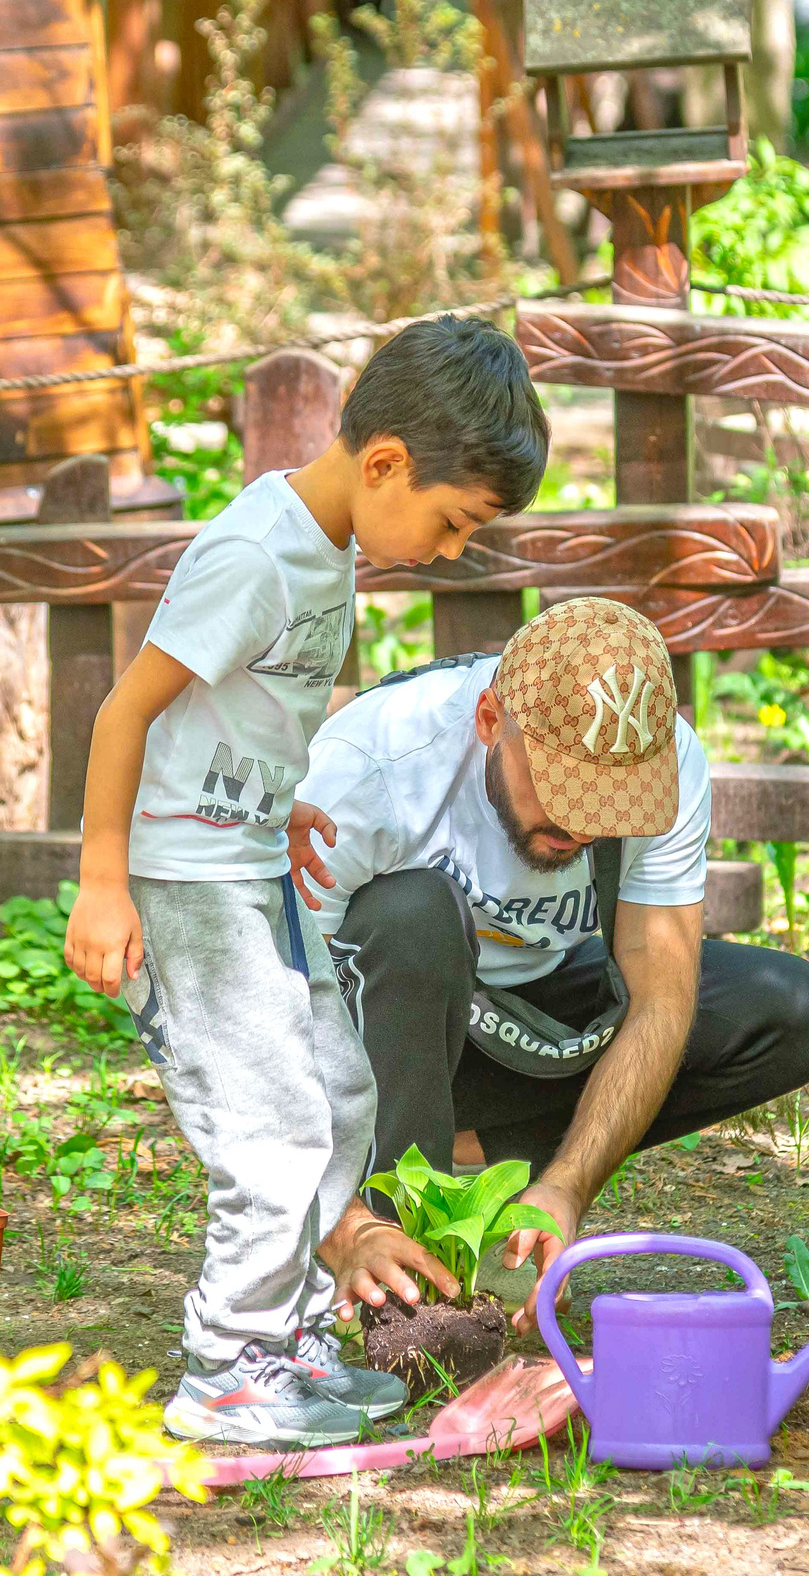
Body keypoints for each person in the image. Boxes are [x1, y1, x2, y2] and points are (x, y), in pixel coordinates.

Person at [63, 317, 549, 1447]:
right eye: (449, 521)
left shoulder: (330, 549)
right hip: (184, 881)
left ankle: (292, 1340)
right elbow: (125, 708)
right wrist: (103, 879)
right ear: (384, 462)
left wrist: (280, 804)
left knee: (336, 1090)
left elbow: (237, 716)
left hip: (249, 863)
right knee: (268, 1122)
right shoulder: (255, 554)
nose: (445, 549)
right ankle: (228, 1361)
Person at [287, 598, 809, 1324]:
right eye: (561, 788)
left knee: (785, 1008)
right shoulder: (372, 767)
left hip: (529, 1022)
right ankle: (396, 1246)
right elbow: (277, 1014)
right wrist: (343, 1220)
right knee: (415, 913)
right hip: (391, 1028)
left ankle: (489, 1168)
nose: (581, 825)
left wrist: (565, 1186)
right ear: (491, 720)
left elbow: (662, 999)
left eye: (610, 802)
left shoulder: (669, 759)